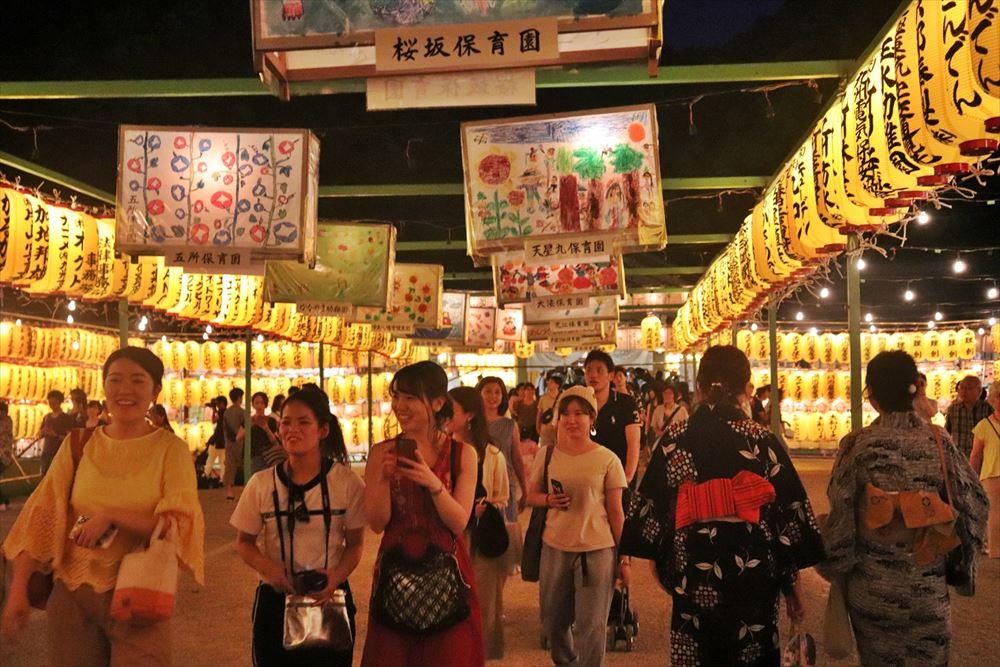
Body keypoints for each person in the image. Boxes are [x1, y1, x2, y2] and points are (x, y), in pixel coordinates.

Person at [0, 346, 204, 664]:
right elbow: (40, 517)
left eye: (138, 381)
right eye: (115, 380)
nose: (125, 390)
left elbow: (176, 522)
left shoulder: (171, 450)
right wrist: (18, 590)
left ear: (156, 391)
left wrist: (110, 516)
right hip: (72, 594)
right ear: (104, 386)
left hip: (140, 593)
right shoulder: (78, 444)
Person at [641, 345, 822, 666]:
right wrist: (792, 585)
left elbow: (653, 511)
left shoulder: (675, 438)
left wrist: (663, 561)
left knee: (697, 652)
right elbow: (786, 519)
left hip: (694, 568)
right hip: (752, 568)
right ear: (745, 388)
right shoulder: (761, 439)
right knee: (751, 650)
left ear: (698, 386)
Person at [818, 351, 987, 665]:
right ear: (916, 389)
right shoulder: (938, 440)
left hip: (872, 590)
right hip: (927, 586)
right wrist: (964, 562)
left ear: (871, 396)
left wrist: (833, 563)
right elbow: (976, 503)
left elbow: (841, 519)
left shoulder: (858, 444)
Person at [230, 385, 366, 667]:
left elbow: (355, 544)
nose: (292, 429)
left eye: (304, 422)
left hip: (329, 597)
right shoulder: (261, 484)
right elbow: (244, 542)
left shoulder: (346, 483)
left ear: (323, 430)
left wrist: (336, 576)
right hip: (275, 600)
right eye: (286, 423)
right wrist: (270, 570)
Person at [361, 361, 484, 667]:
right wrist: (380, 479)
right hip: (395, 570)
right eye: (396, 396)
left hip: (447, 570)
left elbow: (459, 521)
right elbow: (377, 523)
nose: (399, 406)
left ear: (438, 402)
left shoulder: (462, 454)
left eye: (410, 398)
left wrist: (434, 484)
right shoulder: (381, 452)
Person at [526, 385, 627, 667]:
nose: (572, 419)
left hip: (597, 549)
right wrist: (548, 499)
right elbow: (529, 496)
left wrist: (625, 557)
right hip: (555, 546)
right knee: (553, 622)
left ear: (591, 419)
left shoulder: (608, 459)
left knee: (592, 626)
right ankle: (567, 661)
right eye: (566, 413)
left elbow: (616, 512)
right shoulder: (547, 454)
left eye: (580, 413)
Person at [448, 386, 510, 660]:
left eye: (452, 409)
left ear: (470, 415)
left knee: (484, 602)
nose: (445, 414)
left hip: (481, 535)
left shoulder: (492, 455)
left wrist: (487, 507)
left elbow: (503, 496)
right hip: (450, 535)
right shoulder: (440, 449)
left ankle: (481, 655)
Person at [584, 350, 642, 485]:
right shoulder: (580, 404)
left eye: (599, 370)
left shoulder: (625, 402)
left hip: (618, 478)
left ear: (610, 376)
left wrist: (627, 477)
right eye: (589, 370)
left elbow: (634, 443)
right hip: (588, 479)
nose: (593, 375)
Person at [477, 377, 529, 521]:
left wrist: (525, 489)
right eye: (487, 391)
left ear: (503, 396)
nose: (492, 396)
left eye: (497, 392)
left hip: (505, 483)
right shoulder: (473, 424)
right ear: (479, 394)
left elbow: (516, 458)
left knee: (506, 529)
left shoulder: (510, 425)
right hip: (479, 483)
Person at [971, 380, 1000, 558]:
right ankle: (996, 551)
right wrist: (971, 478)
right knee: (995, 514)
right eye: (998, 397)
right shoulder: (984, 425)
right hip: (991, 475)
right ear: (992, 399)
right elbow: (975, 455)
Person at [945, 376, 993, 457]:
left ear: (979, 391)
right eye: (961, 388)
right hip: (959, 458)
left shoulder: (988, 408)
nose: (964, 391)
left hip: (982, 457)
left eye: (969, 388)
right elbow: (947, 432)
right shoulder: (953, 409)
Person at [237, 391, 282, 474]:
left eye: (262, 403)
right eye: (256, 403)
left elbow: (275, 442)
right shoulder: (248, 420)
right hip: (254, 455)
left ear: (266, 404)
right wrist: (250, 426)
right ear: (253, 405)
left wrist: (266, 428)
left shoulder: (271, 420)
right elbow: (238, 438)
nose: (259, 405)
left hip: (269, 455)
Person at [38, 391, 76, 476]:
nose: (51, 405)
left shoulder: (66, 418)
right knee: (45, 476)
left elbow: (69, 437)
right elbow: (40, 434)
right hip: (47, 451)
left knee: (57, 476)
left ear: (59, 402)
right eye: (50, 403)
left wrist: (56, 435)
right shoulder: (47, 417)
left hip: (59, 452)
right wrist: (42, 433)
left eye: (53, 403)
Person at [223, 387, 247, 500]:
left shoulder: (227, 412)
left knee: (230, 466)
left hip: (229, 442)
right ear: (239, 397)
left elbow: (225, 429)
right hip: (241, 443)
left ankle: (229, 491)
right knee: (243, 465)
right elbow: (245, 427)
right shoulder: (242, 412)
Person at [535, 373, 562, 450]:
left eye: (551, 382)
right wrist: (537, 426)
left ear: (557, 385)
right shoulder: (543, 398)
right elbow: (539, 413)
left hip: (558, 429)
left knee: (558, 451)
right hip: (545, 428)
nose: (548, 383)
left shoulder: (563, 397)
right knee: (545, 451)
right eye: (548, 382)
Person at [203, 396, 228, 482]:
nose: (217, 405)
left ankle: (205, 476)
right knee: (222, 463)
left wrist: (214, 409)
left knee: (210, 461)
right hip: (223, 441)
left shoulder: (221, 413)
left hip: (216, 441)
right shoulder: (227, 413)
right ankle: (222, 480)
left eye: (218, 404)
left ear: (221, 404)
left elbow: (213, 420)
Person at [0, 401, 13, 511]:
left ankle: (2, 503)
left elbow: (3, 437)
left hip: (3, 454)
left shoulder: (6, 422)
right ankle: (6, 501)